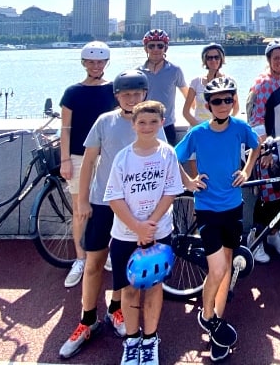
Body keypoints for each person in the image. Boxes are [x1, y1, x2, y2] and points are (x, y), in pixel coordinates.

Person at [60, 70, 166, 360]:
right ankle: (87, 319)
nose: (131, 99)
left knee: (124, 264)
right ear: (116, 95)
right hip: (103, 203)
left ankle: (116, 310)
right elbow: (90, 162)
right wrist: (83, 202)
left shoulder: (150, 121)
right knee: (94, 262)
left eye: (137, 93)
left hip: (136, 207)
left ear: (145, 94)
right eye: (125, 94)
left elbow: (165, 156)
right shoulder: (104, 122)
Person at [175, 77, 261, 363]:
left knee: (224, 272)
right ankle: (207, 315)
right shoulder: (198, 133)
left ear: (234, 101)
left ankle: (215, 325)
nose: (223, 105)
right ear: (208, 105)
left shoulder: (240, 128)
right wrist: (189, 181)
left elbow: (256, 146)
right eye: (216, 101)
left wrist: (247, 170)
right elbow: (175, 156)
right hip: (207, 209)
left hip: (233, 208)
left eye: (228, 100)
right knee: (218, 268)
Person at [104, 100, 184, 365]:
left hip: (159, 234)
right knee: (127, 290)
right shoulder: (123, 157)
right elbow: (114, 197)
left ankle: (150, 339)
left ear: (162, 123)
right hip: (125, 234)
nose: (147, 127)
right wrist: (137, 226)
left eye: (153, 122)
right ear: (133, 124)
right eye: (142, 122)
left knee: (153, 287)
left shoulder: (168, 153)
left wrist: (150, 225)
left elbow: (171, 191)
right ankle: (132, 340)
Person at [59, 41, 118, 289]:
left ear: (106, 63)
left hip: (108, 156)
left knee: (112, 206)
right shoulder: (72, 92)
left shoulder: (115, 90)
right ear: (84, 63)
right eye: (91, 62)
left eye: (100, 61)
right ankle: (80, 258)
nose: (96, 66)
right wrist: (64, 160)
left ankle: (108, 254)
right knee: (79, 208)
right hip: (77, 156)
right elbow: (65, 128)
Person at [245, 38, 280, 264]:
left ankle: (274, 233)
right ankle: (254, 240)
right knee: (266, 197)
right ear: (269, 60)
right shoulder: (261, 83)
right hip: (268, 151)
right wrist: (264, 150)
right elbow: (255, 120)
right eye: (276, 58)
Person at [138, 29, 188, 146]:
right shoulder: (137, 72)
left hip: (167, 125)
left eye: (160, 46)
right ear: (146, 48)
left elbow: (187, 95)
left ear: (165, 48)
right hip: (143, 125)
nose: (156, 49)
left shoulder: (175, 70)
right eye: (151, 46)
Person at [184, 43, 239, 126]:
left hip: (221, 127)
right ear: (205, 60)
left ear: (221, 59)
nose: (213, 60)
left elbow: (236, 108)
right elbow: (186, 112)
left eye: (216, 57)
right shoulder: (196, 82)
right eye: (209, 58)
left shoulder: (230, 81)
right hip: (200, 127)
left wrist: (225, 125)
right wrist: (199, 129)